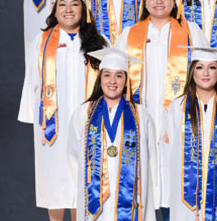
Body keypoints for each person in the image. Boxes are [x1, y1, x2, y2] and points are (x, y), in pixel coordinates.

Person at [113, 0, 207, 218]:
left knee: (174, 178)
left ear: (175, 1)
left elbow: (205, 75)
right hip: (142, 115)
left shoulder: (191, 32)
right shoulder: (129, 34)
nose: (159, 2)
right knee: (145, 179)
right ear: (145, 1)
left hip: (179, 118)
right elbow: (117, 80)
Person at [17, 0, 108, 221]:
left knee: (83, 177)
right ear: (54, 10)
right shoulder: (41, 42)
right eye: (62, 5)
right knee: (54, 182)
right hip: (52, 124)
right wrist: (32, 119)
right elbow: (31, 82)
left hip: (87, 124)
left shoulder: (99, 44)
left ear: (83, 9)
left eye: (74, 4)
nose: (68, 10)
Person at [67, 48, 157, 221]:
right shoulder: (82, 113)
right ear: (100, 79)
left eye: (119, 76)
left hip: (132, 197)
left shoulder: (141, 114)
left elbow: (151, 157)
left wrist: (142, 188)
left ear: (126, 81)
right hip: (94, 194)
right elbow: (72, 155)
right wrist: (88, 180)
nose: (112, 81)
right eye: (107, 75)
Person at [165, 47, 217, 220]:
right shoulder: (177, 107)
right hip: (186, 190)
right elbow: (171, 151)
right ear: (192, 72)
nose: (205, 73)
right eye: (200, 67)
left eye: (212, 67)